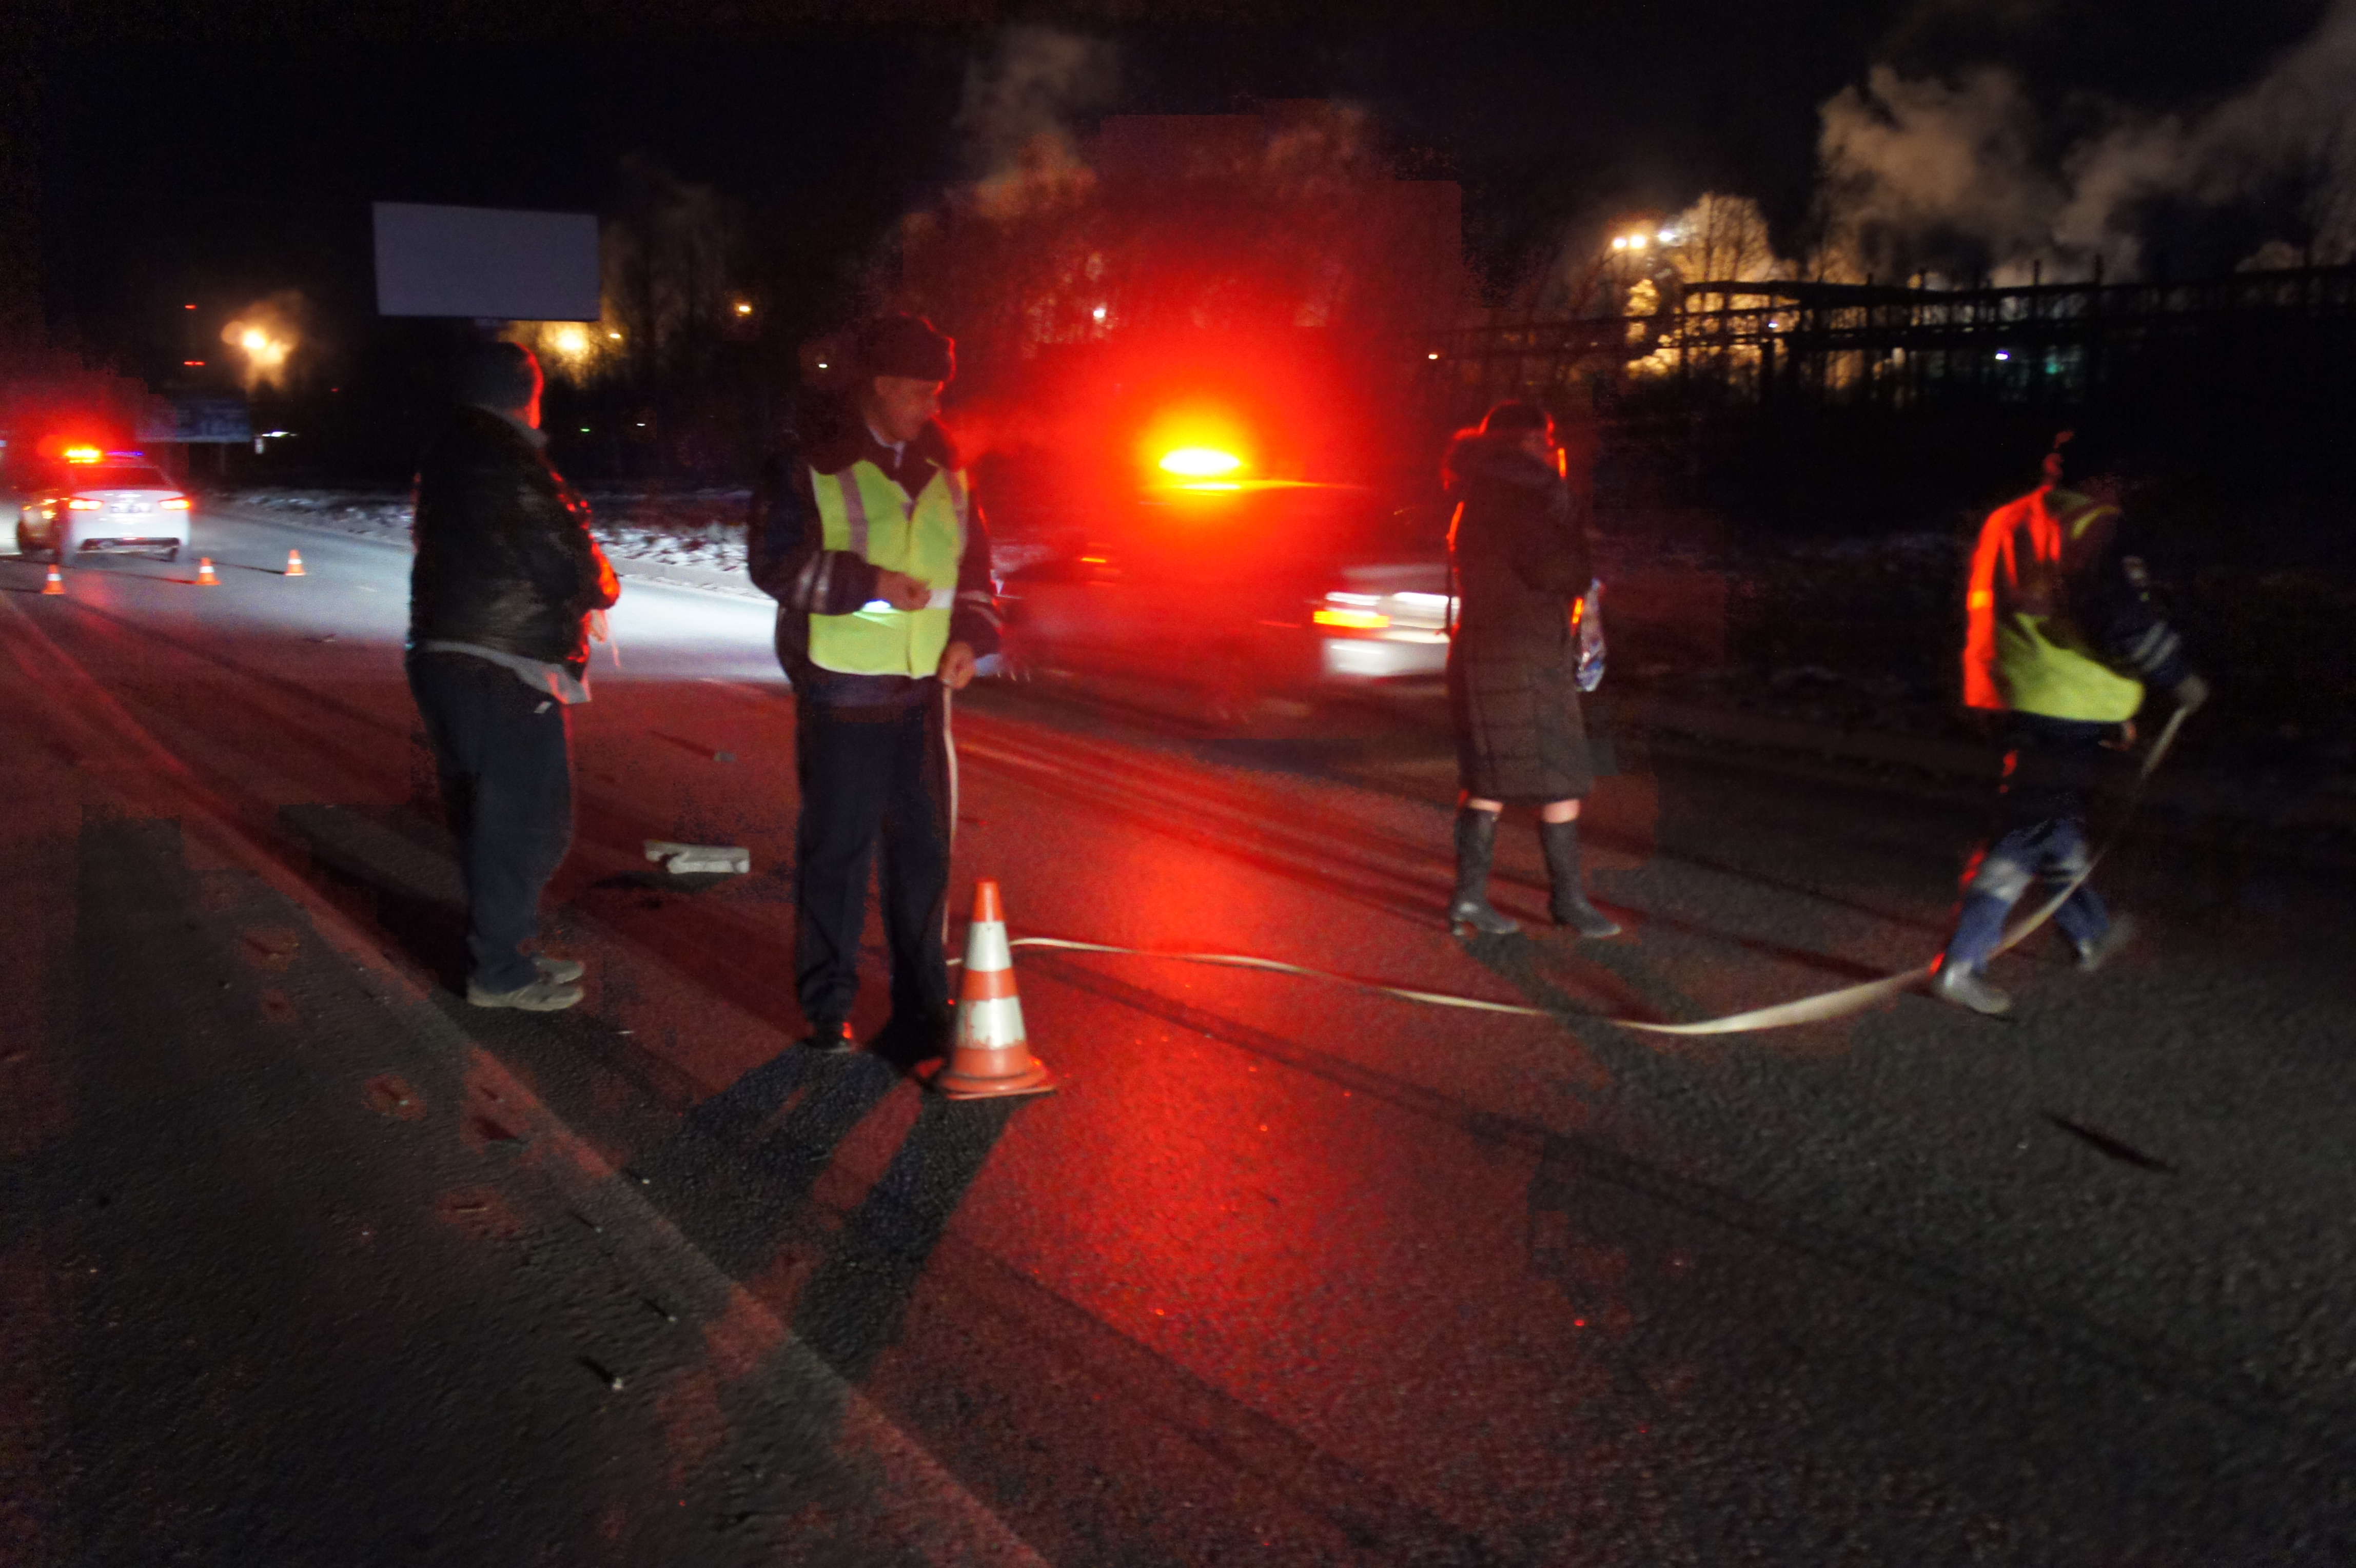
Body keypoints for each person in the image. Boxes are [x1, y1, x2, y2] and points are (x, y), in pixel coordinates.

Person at [748, 314, 1001, 1054]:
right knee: (839, 856)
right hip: (843, 695)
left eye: (937, 393)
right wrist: (872, 583)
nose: (933, 406)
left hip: (924, 696)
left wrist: (972, 638)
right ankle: (828, 1012)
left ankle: (924, 1009)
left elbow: (978, 571)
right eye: (921, 391)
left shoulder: (947, 468)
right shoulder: (808, 464)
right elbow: (776, 565)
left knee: (923, 856)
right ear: (882, 386)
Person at [1931, 427, 2208, 1015]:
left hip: (2006, 691)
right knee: (2025, 833)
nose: (2125, 495)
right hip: (2063, 703)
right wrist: (2174, 675)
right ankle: (1961, 960)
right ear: (2104, 479)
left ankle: (2089, 931)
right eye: (2122, 483)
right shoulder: (2091, 525)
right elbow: (2117, 618)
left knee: (2048, 817)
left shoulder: (2010, 517)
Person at [407, 341, 619, 1011]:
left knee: (495, 820)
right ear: (527, 391)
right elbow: (562, 559)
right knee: (527, 823)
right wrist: (600, 582)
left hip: (457, 655)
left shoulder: (456, 452)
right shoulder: (506, 460)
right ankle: (497, 971)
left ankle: (507, 952)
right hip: (501, 662)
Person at [1442, 400, 1619, 939]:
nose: (1552, 449)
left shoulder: (1480, 493)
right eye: (1545, 441)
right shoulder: (1527, 497)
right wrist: (1574, 539)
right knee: (1559, 774)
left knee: (1490, 775)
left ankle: (1470, 899)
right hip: (1521, 657)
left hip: (1487, 653)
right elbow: (1558, 570)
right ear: (1523, 444)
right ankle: (1567, 902)